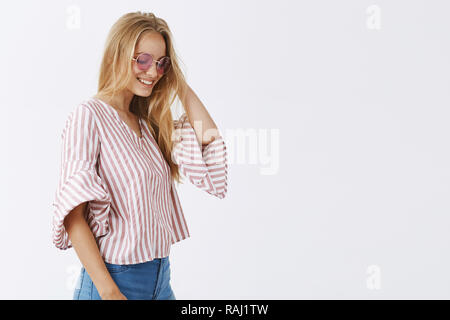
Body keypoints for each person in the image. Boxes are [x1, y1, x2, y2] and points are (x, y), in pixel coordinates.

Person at [51, 11, 228, 300]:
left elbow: (210, 142)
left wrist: (177, 81)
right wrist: (108, 291)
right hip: (114, 281)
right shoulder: (89, 115)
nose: (153, 72)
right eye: (143, 60)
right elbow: (73, 215)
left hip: (160, 279)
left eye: (162, 64)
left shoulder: (149, 123)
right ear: (116, 55)